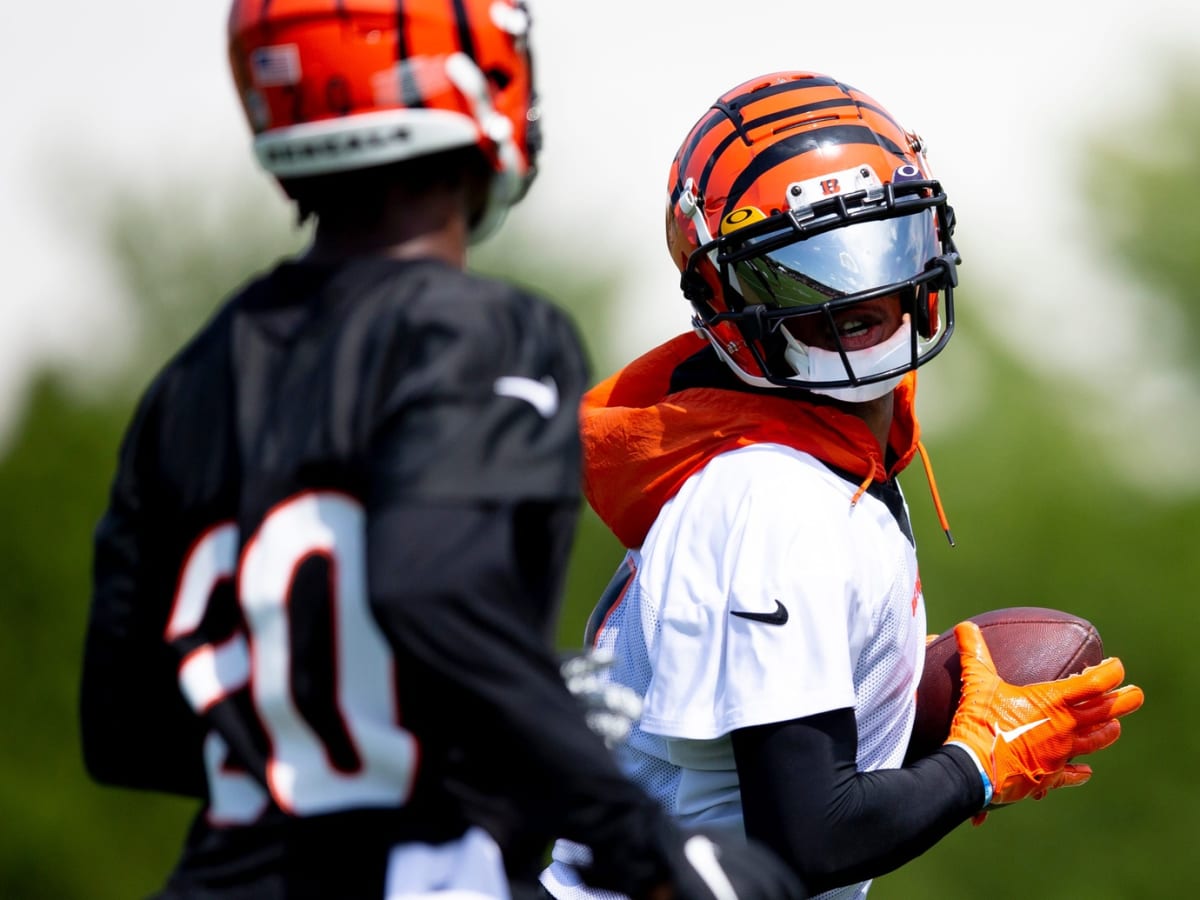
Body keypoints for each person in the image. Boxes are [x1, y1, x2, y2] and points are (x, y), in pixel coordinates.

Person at [78, 6, 808, 900]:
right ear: (485, 77)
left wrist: (349, 718)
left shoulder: (187, 381)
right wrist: (641, 839)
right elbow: (430, 593)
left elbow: (124, 727)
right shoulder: (487, 333)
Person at [540, 70, 1145, 900]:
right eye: (798, 272)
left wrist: (916, 715)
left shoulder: (816, 468)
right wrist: (978, 764)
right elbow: (810, 835)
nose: (855, 292)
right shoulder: (772, 497)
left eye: (878, 248)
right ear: (720, 294)